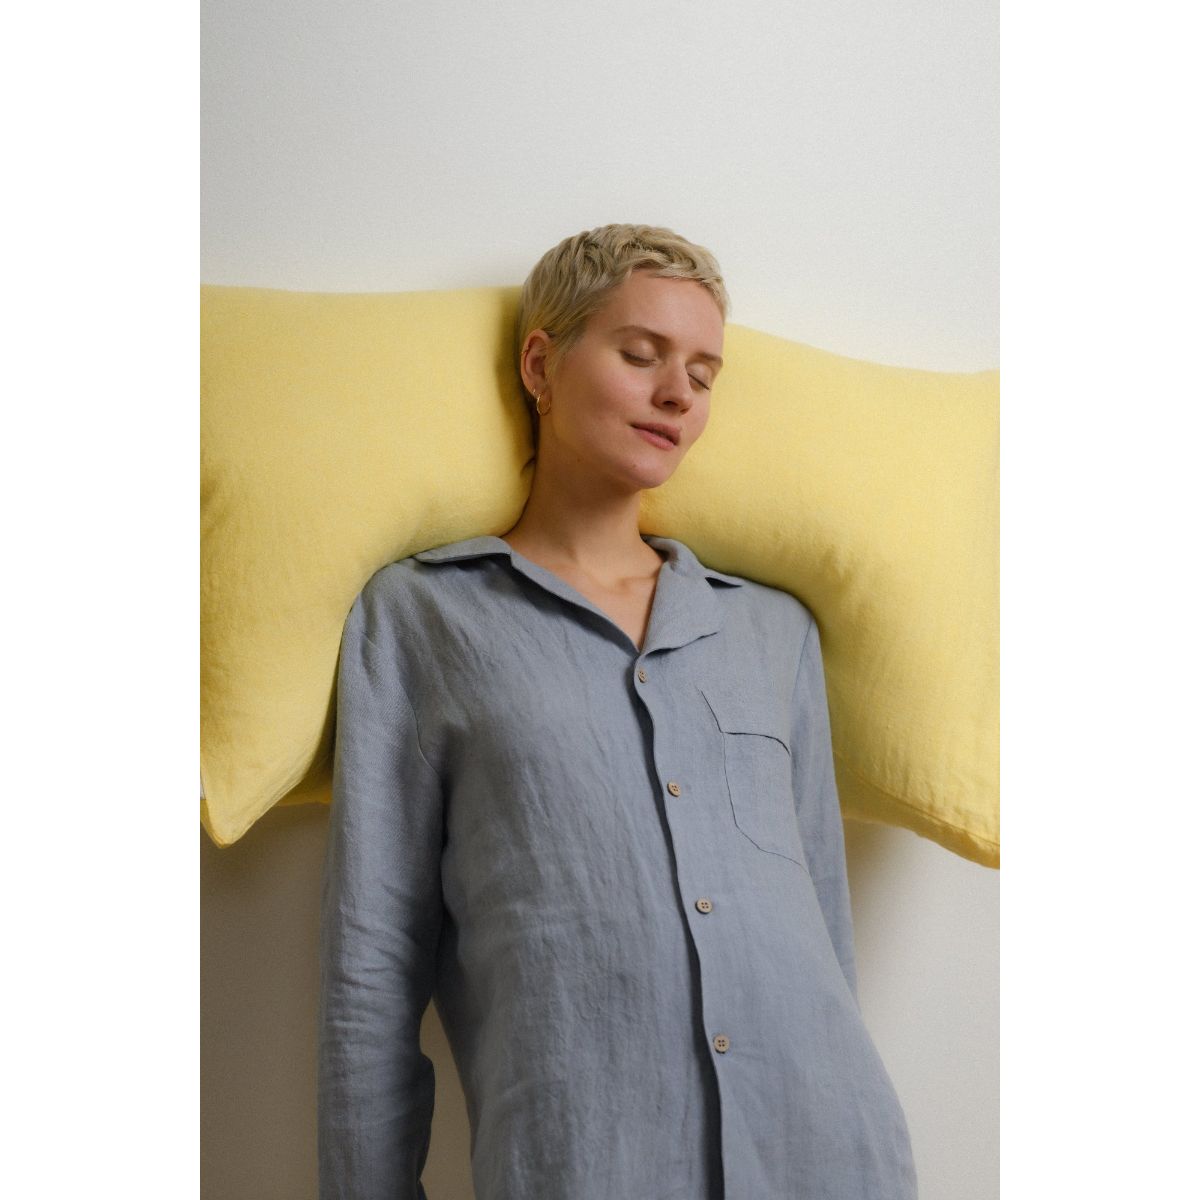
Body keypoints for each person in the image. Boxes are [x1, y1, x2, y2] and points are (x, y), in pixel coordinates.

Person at [317, 224, 918, 1199]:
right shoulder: (423, 619)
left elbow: (825, 932)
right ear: (541, 366)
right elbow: (371, 966)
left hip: (827, 1154)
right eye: (641, 355)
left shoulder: (773, 632)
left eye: (704, 375)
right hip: (586, 1164)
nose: (678, 393)